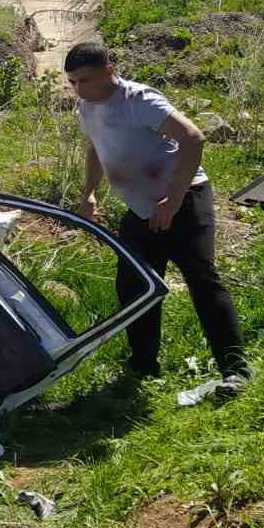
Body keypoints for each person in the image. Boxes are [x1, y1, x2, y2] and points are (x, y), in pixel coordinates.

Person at [66, 41, 250, 391]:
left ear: (108, 70)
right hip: (141, 210)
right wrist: (89, 192)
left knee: (202, 280)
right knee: (135, 287)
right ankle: (143, 367)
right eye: (72, 82)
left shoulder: (139, 101)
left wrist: (174, 198)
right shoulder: (87, 107)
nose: (78, 89)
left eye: (85, 80)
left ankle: (235, 369)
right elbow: (94, 148)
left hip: (185, 200)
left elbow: (193, 138)